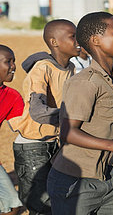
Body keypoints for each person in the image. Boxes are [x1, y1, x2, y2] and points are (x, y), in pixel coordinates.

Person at [47, 11, 113, 214]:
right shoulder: (85, 83)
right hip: (74, 182)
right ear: (96, 40)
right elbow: (68, 132)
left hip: (106, 179)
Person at [9, 19, 80, 215]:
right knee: (41, 205)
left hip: (55, 142)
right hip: (32, 146)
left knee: (60, 197)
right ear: (54, 42)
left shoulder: (72, 68)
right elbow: (38, 111)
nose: (78, 41)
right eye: (73, 36)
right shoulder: (42, 69)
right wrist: (71, 116)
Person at [0, 45, 24, 215]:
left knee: (13, 205)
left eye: (14, 61)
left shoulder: (12, 96)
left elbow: (24, 125)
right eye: (8, 62)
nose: (14, 66)